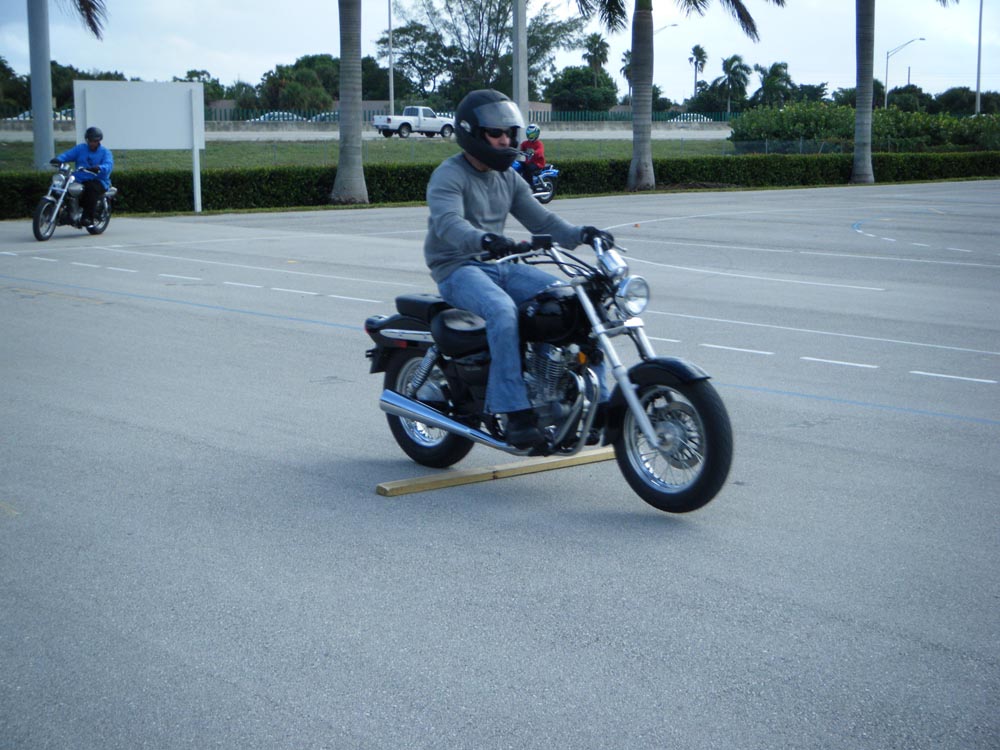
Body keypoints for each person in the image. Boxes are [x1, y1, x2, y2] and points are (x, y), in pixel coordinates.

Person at [424, 89, 612, 449]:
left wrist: (583, 234)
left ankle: (595, 402)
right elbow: (448, 223)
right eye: (496, 133)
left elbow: (542, 219)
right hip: (457, 268)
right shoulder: (449, 175)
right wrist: (484, 239)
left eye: (510, 133)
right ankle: (515, 413)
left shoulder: (508, 178)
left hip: (501, 265)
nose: (506, 141)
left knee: (572, 301)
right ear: (472, 133)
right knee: (502, 310)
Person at [51, 126, 114, 227]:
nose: (92, 143)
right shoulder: (81, 149)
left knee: (91, 189)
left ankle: (87, 218)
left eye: (95, 141)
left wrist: (99, 168)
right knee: (60, 185)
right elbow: (68, 155)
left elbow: (108, 165)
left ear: (99, 141)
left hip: (98, 179)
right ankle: (62, 212)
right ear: (87, 140)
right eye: (90, 140)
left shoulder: (105, 152)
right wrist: (59, 159)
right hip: (79, 178)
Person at [517, 123, 546, 188]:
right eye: (529, 134)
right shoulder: (526, 143)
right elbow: (520, 147)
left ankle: (530, 186)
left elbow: (540, 151)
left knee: (528, 169)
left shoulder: (539, 144)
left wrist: (534, 152)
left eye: (532, 134)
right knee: (518, 165)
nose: (530, 135)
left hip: (538, 164)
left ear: (536, 134)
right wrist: (514, 149)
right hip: (528, 162)